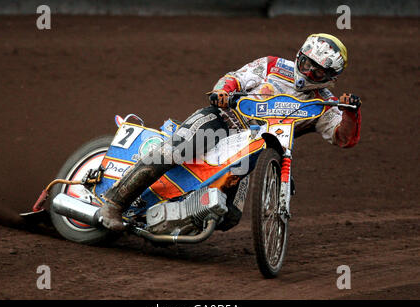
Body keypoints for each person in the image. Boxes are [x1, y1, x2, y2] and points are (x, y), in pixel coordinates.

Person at [98, 33, 362, 231]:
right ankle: (114, 203)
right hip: (224, 120)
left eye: (317, 70)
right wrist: (223, 90)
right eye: (306, 63)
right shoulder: (271, 66)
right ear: (299, 56)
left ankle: (178, 217)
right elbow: (235, 78)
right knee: (176, 149)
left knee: (229, 218)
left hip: (254, 150)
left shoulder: (325, 103)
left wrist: (350, 112)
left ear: (331, 75)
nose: (308, 72)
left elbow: (343, 137)